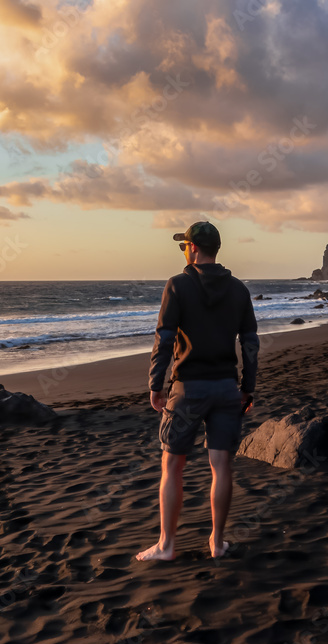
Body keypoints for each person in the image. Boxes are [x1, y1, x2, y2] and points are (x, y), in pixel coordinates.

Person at [136, 221, 259, 561]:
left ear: (192, 248)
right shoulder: (238, 290)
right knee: (222, 466)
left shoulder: (177, 285)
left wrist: (155, 386)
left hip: (188, 389)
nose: (185, 252)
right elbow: (250, 343)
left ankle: (166, 545)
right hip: (225, 388)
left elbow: (163, 339)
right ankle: (217, 543)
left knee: (172, 466)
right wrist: (247, 387)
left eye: (184, 246)